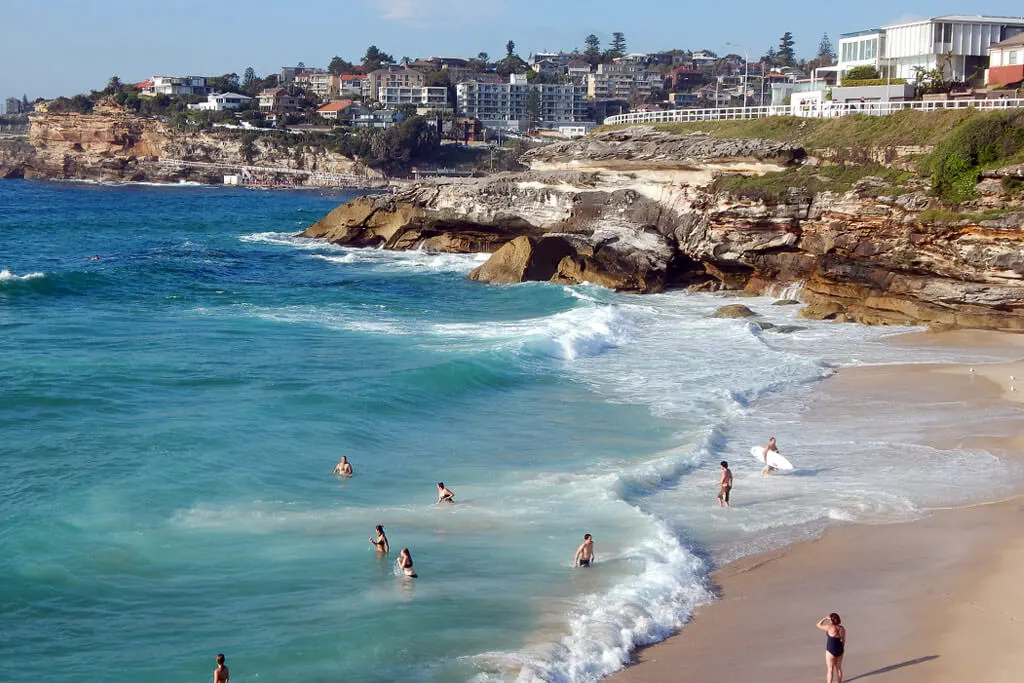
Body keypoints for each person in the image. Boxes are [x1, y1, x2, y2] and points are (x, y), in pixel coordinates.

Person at [816, 613, 846, 683]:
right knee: (838, 668)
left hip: (830, 650)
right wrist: (841, 648)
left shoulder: (829, 627)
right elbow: (844, 640)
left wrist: (825, 618)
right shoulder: (842, 629)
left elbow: (818, 625)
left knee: (830, 669)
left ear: (831, 620)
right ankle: (839, 682)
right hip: (840, 649)